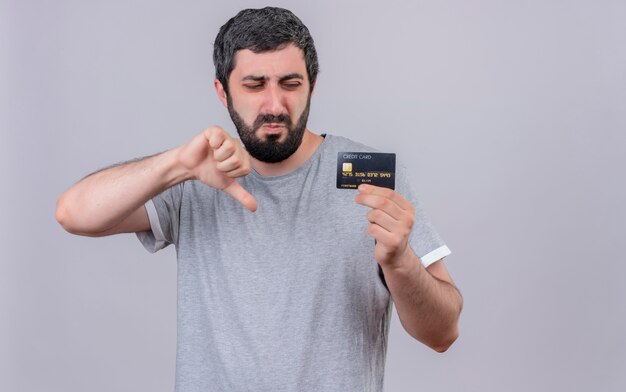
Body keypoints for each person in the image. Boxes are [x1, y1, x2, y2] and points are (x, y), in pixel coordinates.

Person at [56, 7, 462, 392]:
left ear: (312, 86)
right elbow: (74, 213)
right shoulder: (195, 174)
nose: (274, 105)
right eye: (254, 85)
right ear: (222, 91)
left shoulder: (371, 179)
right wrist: (177, 164)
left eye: (290, 83)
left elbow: (443, 333)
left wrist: (400, 261)